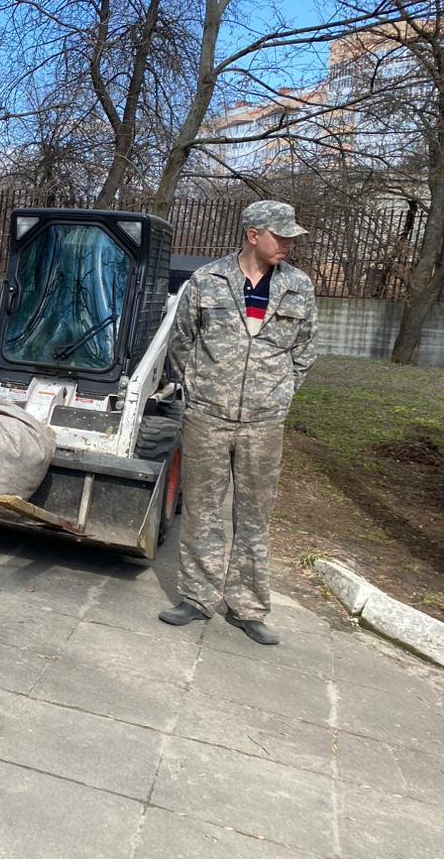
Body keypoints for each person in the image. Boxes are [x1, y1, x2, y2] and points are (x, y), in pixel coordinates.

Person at [160, 200, 318, 646]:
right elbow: (182, 341)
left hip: (264, 422)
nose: (288, 243)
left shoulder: (298, 287)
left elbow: (305, 349)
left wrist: (280, 395)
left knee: (254, 515)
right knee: (202, 510)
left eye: (291, 237)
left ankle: (247, 607)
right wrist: (199, 391)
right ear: (253, 234)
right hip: (208, 417)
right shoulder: (207, 280)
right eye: (280, 235)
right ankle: (197, 597)